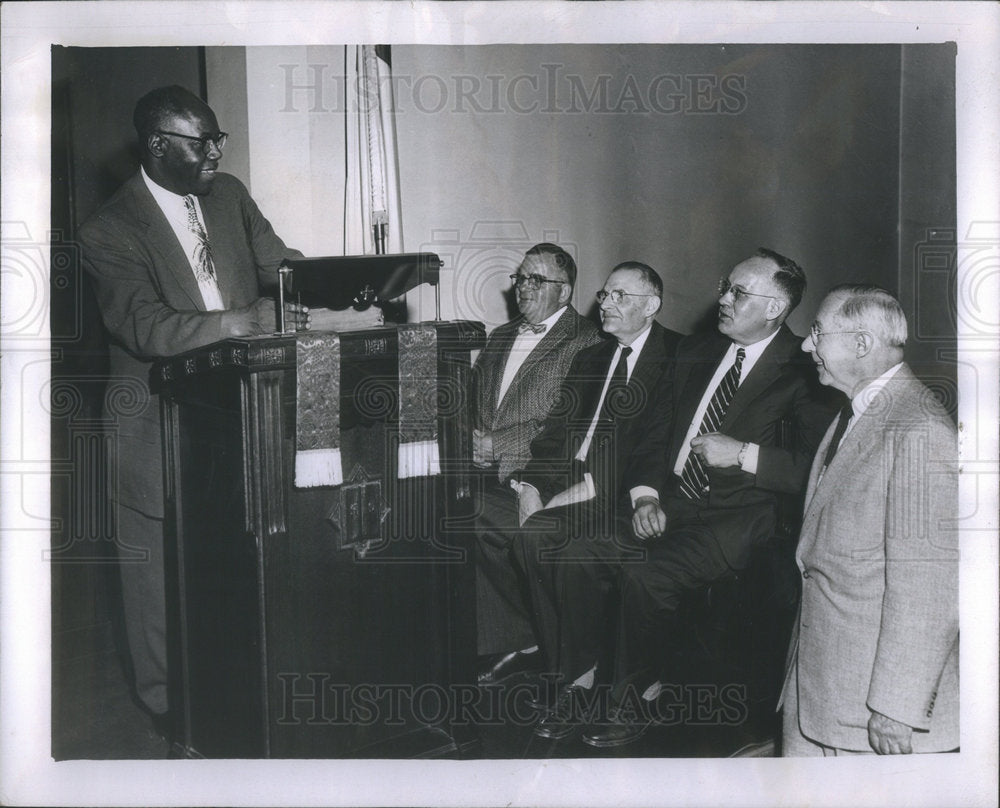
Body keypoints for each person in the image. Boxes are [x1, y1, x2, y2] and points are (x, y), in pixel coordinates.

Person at [78, 85, 326, 738]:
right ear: (158, 146)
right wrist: (241, 321)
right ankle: (171, 715)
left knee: (242, 563)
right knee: (156, 586)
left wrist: (353, 284)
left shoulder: (231, 196)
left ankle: (246, 693)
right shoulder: (109, 228)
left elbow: (283, 266)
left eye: (219, 139)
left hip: (243, 416)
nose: (218, 151)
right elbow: (147, 327)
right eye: (203, 142)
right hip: (154, 429)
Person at [528, 248, 834, 745]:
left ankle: (637, 695)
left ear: (775, 307)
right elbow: (655, 433)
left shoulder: (804, 371)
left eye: (739, 291)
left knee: (647, 576)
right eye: (725, 287)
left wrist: (743, 455)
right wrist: (646, 495)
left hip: (735, 518)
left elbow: (818, 468)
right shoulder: (696, 352)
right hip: (668, 502)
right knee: (573, 552)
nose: (724, 299)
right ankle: (578, 682)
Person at [779, 285, 958, 756]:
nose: (805, 344)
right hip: (825, 682)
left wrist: (897, 707)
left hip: (870, 709)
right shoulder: (858, 411)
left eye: (817, 332)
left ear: (861, 344)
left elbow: (928, 582)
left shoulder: (919, 429)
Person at [503, 262, 682, 721]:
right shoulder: (591, 357)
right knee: (532, 538)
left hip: (624, 490)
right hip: (574, 480)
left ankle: (599, 675)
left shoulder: (679, 358)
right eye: (605, 294)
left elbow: (659, 445)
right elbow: (554, 433)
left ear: (652, 306)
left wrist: (590, 490)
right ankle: (574, 670)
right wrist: (531, 484)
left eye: (621, 296)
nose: (606, 304)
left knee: (568, 547)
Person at [472, 244, 600, 682]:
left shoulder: (588, 342)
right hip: (488, 472)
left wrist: (497, 445)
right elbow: (478, 406)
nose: (523, 287)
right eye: (520, 278)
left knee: (472, 520)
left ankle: (553, 644)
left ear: (564, 293)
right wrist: (470, 437)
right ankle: (519, 637)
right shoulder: (500, 336)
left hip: (546, 478)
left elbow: (564, 425)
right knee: (452, 519)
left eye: (536, 280)